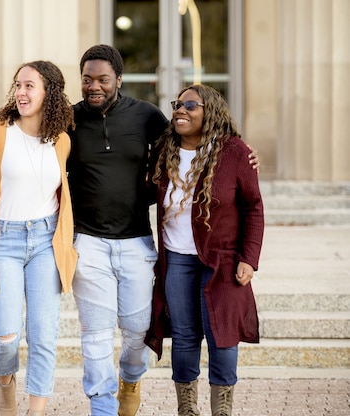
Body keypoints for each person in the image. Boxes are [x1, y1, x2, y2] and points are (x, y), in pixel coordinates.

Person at [67, 45, 260, 416]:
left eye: (103, 79)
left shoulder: (147, 117)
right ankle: (106, 407)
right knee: (100, 334)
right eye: (87, 79)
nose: (94, 86)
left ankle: (133, 379)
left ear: (118, 80)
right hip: (91, 241)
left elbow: (199, 145)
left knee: (141, 331)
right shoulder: (69, 119)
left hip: (142, 242)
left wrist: (246, 154)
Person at [0, 60, 77, 416]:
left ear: (48, 93)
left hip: (45, 240)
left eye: (29, 86)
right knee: (6, 333)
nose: (21, 93)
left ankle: (35, 411)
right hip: (3, 240)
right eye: (18, 86)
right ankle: (5, 383)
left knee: (43, 335)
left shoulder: (62, 141)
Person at [144, 84, 265, 416]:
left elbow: (254, 207)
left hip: (222, 261)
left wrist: (249, 259)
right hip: (177, 259)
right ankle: (187, 408)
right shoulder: (164, 149)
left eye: (191, 105)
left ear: (210, 112)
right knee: (183, 336)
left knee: (222, 334)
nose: (181, 110)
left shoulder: (235, 153)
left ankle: (222, 409)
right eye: (178, 104)